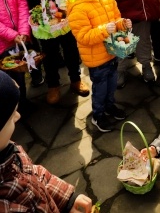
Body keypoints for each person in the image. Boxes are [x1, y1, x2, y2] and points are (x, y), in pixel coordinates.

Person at [0, 70, 93, 212]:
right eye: (11, 116)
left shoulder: (9, 150)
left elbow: (34, 175)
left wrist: (67, 198)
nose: (18, 116)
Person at [67, 0, 131, 132]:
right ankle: (98, 115)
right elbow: (83, 37)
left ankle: (109, 106)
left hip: (112, 52)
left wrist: (123, 24)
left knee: (111, 85)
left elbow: (116, 20)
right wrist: (104, 30)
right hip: (96, 58)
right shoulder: (78, 8)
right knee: (100, 88)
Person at [0, 0, 32, 115]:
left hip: (18, 40)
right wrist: (12, 35)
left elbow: (22, 4)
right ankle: (11, 111)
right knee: (8, 79)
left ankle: (22, 103)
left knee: (19, 73)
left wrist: (23, 30)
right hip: (3, 44)